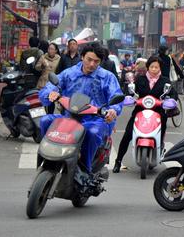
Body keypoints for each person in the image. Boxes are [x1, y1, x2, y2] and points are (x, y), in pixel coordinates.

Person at [38, 44, 123, 173]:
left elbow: (116, 95)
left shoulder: (107, 77)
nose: (92, 64)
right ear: (82, 57)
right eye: (89, 59)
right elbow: (50, 86)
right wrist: (50, 93)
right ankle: (48, 158)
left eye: (96, 61)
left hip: (96, 119)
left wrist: (113, 110)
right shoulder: (69, 73)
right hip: (70, 117)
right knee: (45, 121)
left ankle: (85, 169)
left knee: (92, 133)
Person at [112, 56, 176, 173]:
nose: (154, 69)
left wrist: (171, 101)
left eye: (156, 67)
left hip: (158, 112)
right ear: (148, 67)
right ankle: (118, 161)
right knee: (127, 135)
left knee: (161, 131)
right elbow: (131, 92)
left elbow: (173, 94)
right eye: (152, 67)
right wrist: (128, 97)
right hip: (140, 111)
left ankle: (159, 148)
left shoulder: (165, 81)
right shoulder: (140, 79)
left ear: (160, 68)